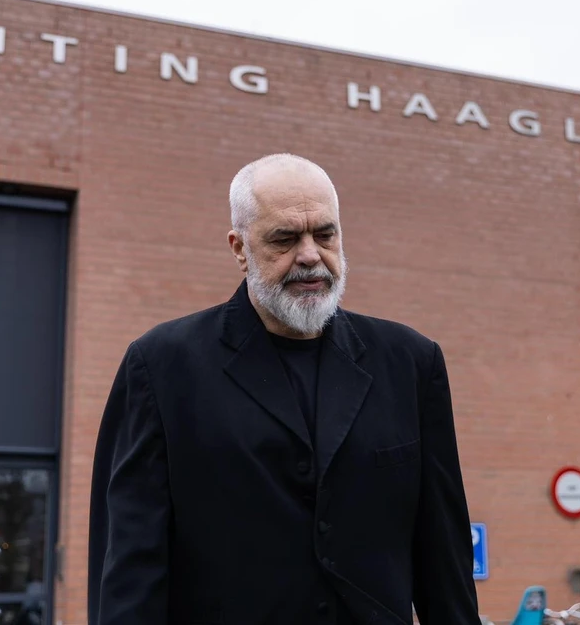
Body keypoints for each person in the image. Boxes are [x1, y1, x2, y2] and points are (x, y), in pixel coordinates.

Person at [87, 153, 479, 625]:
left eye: (325, 235)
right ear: (239, 248)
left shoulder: (411, 362)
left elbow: (444, 557)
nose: (310, 255)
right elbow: (129, 562)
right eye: (285, 239)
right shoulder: (161, 365)